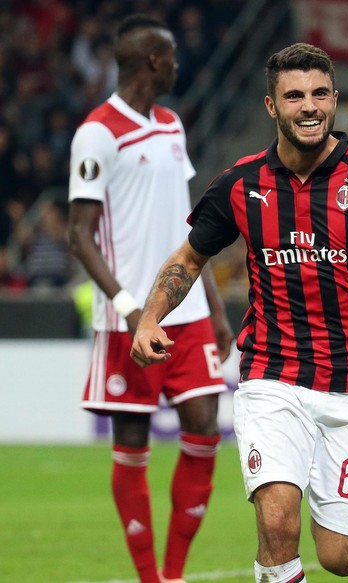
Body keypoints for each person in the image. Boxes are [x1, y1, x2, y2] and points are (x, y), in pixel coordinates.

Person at [131, 43, 348, 582]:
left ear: (335, 100)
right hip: (272, 376)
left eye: (320, 94)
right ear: (272, 107)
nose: (309, 106)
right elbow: (188, 257)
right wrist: (150, 315)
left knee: (340, 558)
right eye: (294, 95)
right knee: (277, 525)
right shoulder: (239, 184)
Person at [67, 15, 234, 583]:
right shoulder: (97, 133)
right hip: (126, 321)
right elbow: (78, 235)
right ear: (154, 63)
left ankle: (174, 572)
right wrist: (129, 307)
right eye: (173, 58)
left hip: (184, 312)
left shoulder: (171, 125)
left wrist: (213, 307)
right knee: (132, 443)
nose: (179, 66)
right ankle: (148, 577)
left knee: (205, 430)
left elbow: (188, 231)